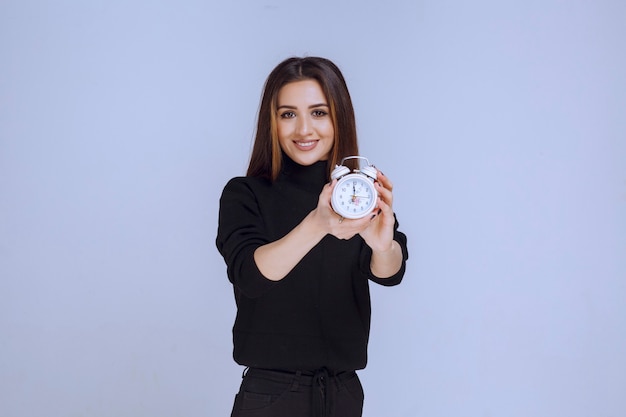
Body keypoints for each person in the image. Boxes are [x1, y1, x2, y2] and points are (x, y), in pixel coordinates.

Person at [216, 56, 408, 417]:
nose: (304, 129)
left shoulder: (356, 194)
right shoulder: (246, 194)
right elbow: (250, 276)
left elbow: (390, 271)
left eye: (318, 112)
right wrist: (317, 224)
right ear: (271, 122)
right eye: (288, 114)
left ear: (339, 118)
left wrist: (383, 244)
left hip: (342, 392)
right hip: (272, 395)